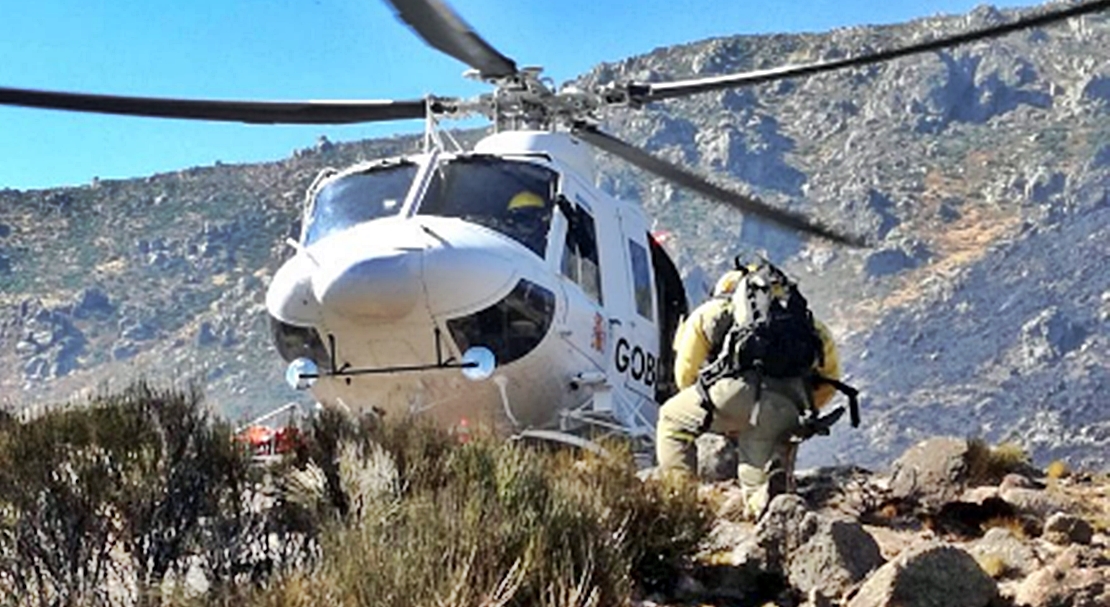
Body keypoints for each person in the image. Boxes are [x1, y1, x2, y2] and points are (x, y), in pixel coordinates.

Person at [655, 261, 850, 520]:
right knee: (761, 453)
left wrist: (714, 411)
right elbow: (831, 377)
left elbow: (685, 373)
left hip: (735, 395)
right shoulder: (807, 321)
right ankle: (767, 500)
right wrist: (801, 410)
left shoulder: (713, 310)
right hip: (790, 405)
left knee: (671, 418)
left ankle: (680, 502)